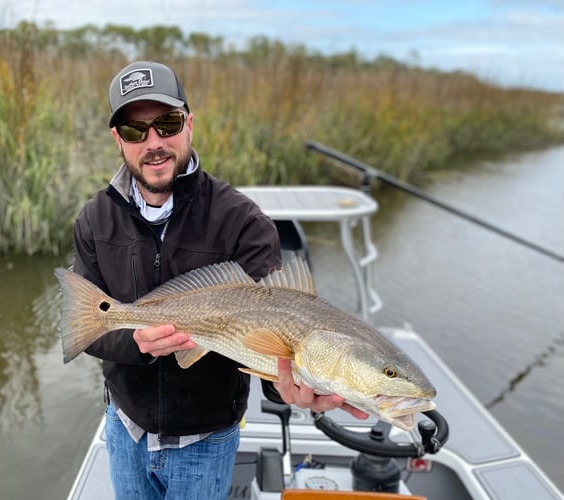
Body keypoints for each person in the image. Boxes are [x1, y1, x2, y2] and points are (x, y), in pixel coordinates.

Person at [72, 60, 368, 500]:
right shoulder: (96, 218)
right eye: (136, 131)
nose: (154, 143)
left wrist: (294, 387)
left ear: (189, 124)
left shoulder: (244, 223)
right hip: (125, 430)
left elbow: (274, 341)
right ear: (119, 139)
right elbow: (88, 325)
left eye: (167, 123)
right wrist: (136, 343)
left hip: (205, 443)